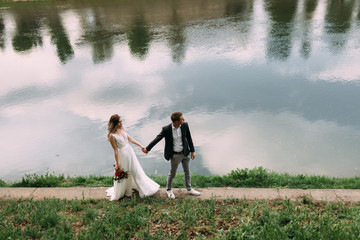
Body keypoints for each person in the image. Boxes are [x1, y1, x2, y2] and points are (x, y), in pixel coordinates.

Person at [143, 112, 200, 199]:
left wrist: (192, 151)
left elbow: (189, 138)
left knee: (187, 171)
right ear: (176, 121)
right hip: (175, 155)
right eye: (182, 119)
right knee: (172, 173)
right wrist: (147, 148)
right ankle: (168, 189)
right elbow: (157, 138)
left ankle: (189, 189)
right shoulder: (166, 129)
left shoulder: (184, 125)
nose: (184, 120)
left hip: (185, 153)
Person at [106, 114, 159, 201]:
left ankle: (142, 187)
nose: (121, 123)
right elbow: (115, 150)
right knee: (125, 172)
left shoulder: (121, 129)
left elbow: (130, 139)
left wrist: (140, 145)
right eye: (119, 122)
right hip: (122, 155)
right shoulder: (112, 135)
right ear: (114, 123)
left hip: (130, 152)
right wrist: (117, 163)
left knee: (135, 170)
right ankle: (123, 191)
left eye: (121, 121)